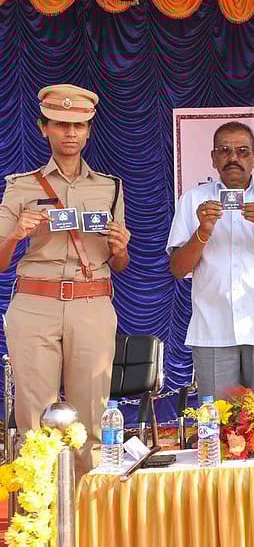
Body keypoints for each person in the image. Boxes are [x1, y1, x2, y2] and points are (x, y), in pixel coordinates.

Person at [0, 84, 130, 478]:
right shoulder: (21, 185)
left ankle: (86, 523)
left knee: (92, 422)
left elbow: (118, 263)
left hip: (91, 304)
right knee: (35, 424)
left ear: (89, 130)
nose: (71, 133)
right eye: (61, 124)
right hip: (34, 305)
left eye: (79, 125)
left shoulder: (109, 187)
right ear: (44, 128)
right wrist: (15, 235)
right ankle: (37, 527)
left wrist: (122, 247)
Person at [167, 121, 254, 401]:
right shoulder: (193, 199)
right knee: (219, 427)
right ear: (213, 158)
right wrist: (202, 231)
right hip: (213, 330)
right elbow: (178, 270)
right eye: (225, 151)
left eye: (242, 151)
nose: (233, 158)